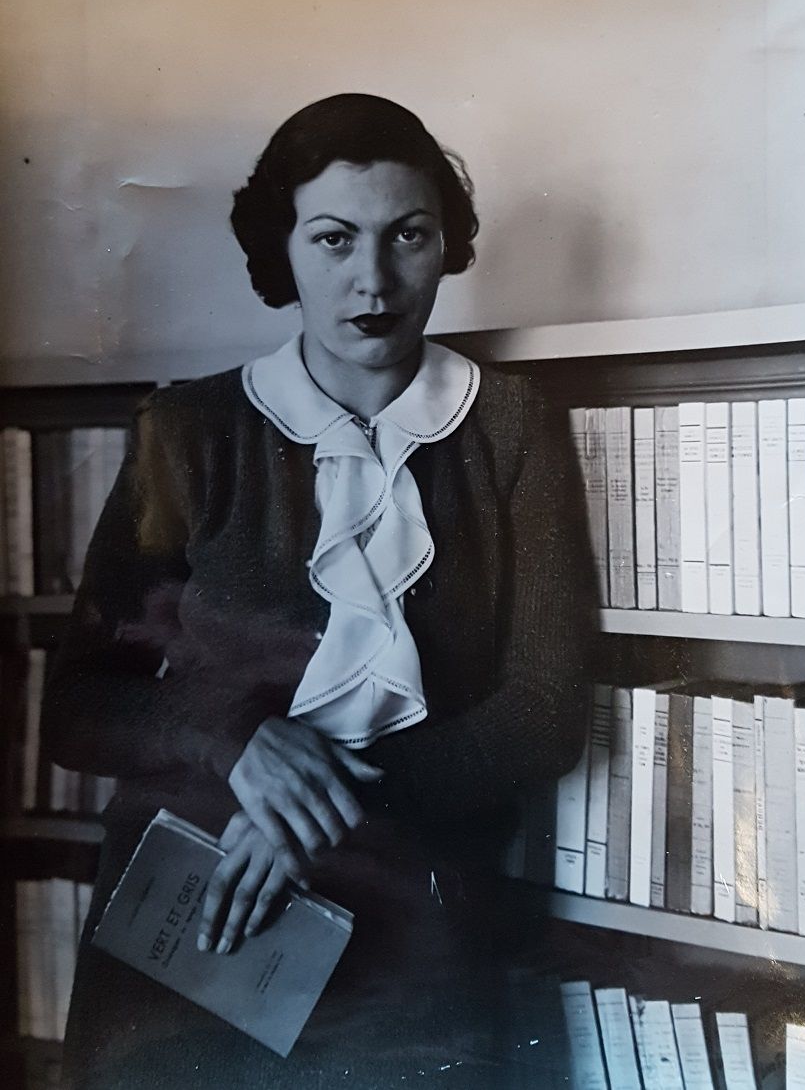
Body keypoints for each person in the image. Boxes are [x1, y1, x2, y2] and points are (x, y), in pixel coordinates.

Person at [43, 93, 603, 1089]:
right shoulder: (188, 432)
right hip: (194, 921)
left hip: (408, 928)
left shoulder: (512, 429)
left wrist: (310, 806)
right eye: (334, 239)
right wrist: (239, 742)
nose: (372, 280)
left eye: (408, 236)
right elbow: (78, 706)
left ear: (446, 244)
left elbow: (544, 712)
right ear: (284, 249)